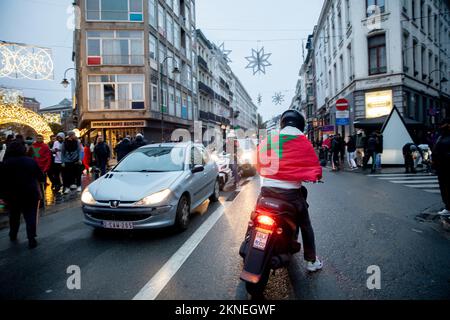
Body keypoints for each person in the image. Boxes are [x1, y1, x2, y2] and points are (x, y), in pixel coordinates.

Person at [257, 110, 323, 272]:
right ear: (300, 125)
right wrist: (314, 176)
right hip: (291, 194)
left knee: (255, 216)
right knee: (306, 225)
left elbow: (258, 159)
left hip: (267, 191)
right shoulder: (303, 141)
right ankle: (311, 261)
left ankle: (250, 239)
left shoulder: (271, 139)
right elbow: (314, 166)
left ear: (283, 123)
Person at [0, 141, 45, 249]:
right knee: (30, 216)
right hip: (30, 193)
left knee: (14, 215)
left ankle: (13, 234)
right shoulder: (30, 161)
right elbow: (41, 177)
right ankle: (31, 238)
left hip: (12, 194)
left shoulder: (5, 163)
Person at [432, 119, 450, 216]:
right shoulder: (441, 136)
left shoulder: (443, 137)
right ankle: (448, 207)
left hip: (445, 165)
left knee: (446, 187)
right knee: (444, 187)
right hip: (441, 166)